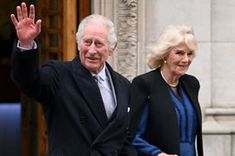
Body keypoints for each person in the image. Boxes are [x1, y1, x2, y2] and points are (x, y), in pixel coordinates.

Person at [10, 2, 137, 156]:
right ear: (78, 44)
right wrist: (25, 44)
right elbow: (28, 81)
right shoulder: (58, 74)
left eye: (98, 44)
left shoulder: (124, 86)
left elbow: (125, 138)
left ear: (112, 48)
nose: (91, 50)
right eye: (87, 42)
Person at [129, 25, 204, 156]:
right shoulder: (145, 84)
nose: (186, 60)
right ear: (165, 54)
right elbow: (133, 135)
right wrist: (157, 154)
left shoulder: (192, 84)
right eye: (180, 53)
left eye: (190, 54)